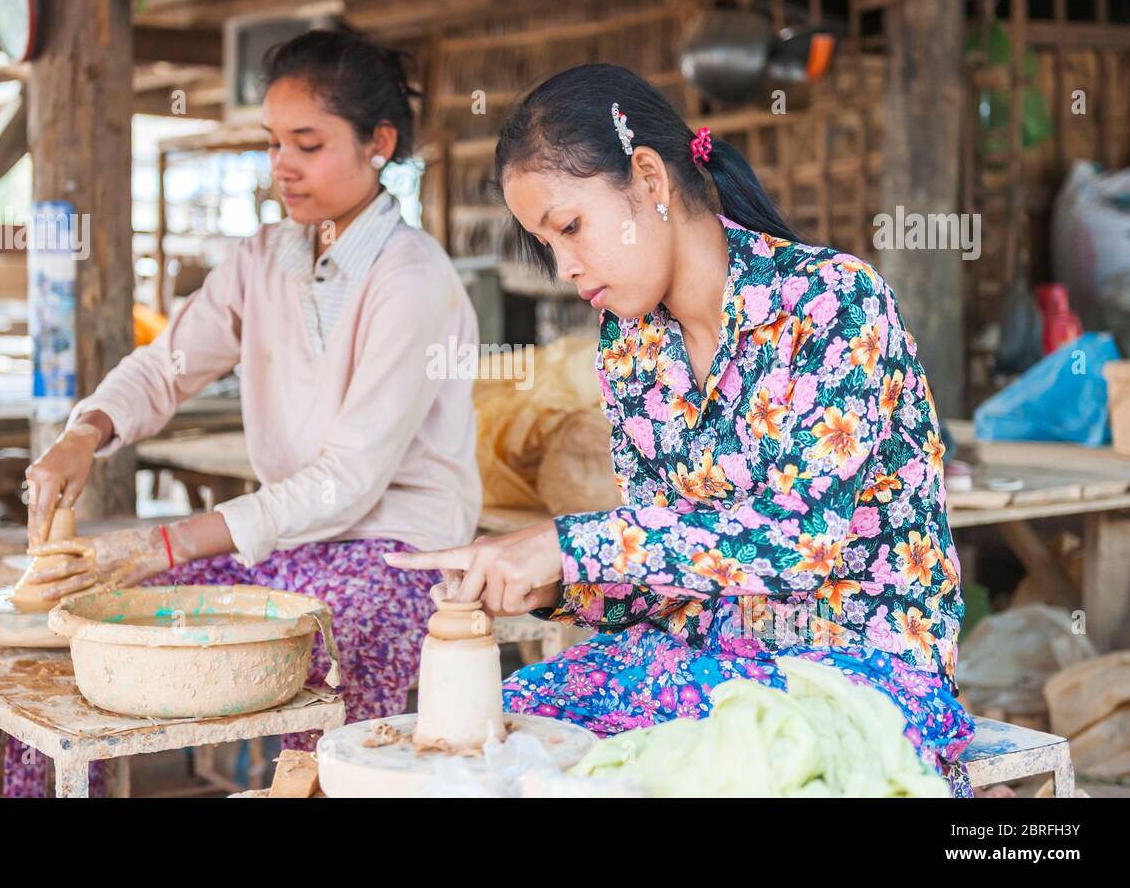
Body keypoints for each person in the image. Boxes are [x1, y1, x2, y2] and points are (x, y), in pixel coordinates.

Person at [387, 63, 976, 796]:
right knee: (492, 729)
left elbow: (799, 541)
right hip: (702, 656)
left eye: (570, 228)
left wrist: (571, 544)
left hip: (855, 666)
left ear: (651, 179)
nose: (565, 266)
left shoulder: (833, 304)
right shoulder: (629, 343)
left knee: (708, 766)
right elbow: (657, 565)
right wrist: (551, 583)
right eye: (549, 245)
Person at [5, 29, 481, 797]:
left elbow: (350, 479)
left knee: (325, 662)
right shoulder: (263, 257)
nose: (282, 166)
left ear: (378, 144)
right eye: (271, 144)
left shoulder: (412, 278)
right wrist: (82, 433)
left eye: (308, 143)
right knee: (92, 632)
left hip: (395, 550)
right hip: (287, 547)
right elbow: (166, 366)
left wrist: (172, 540)